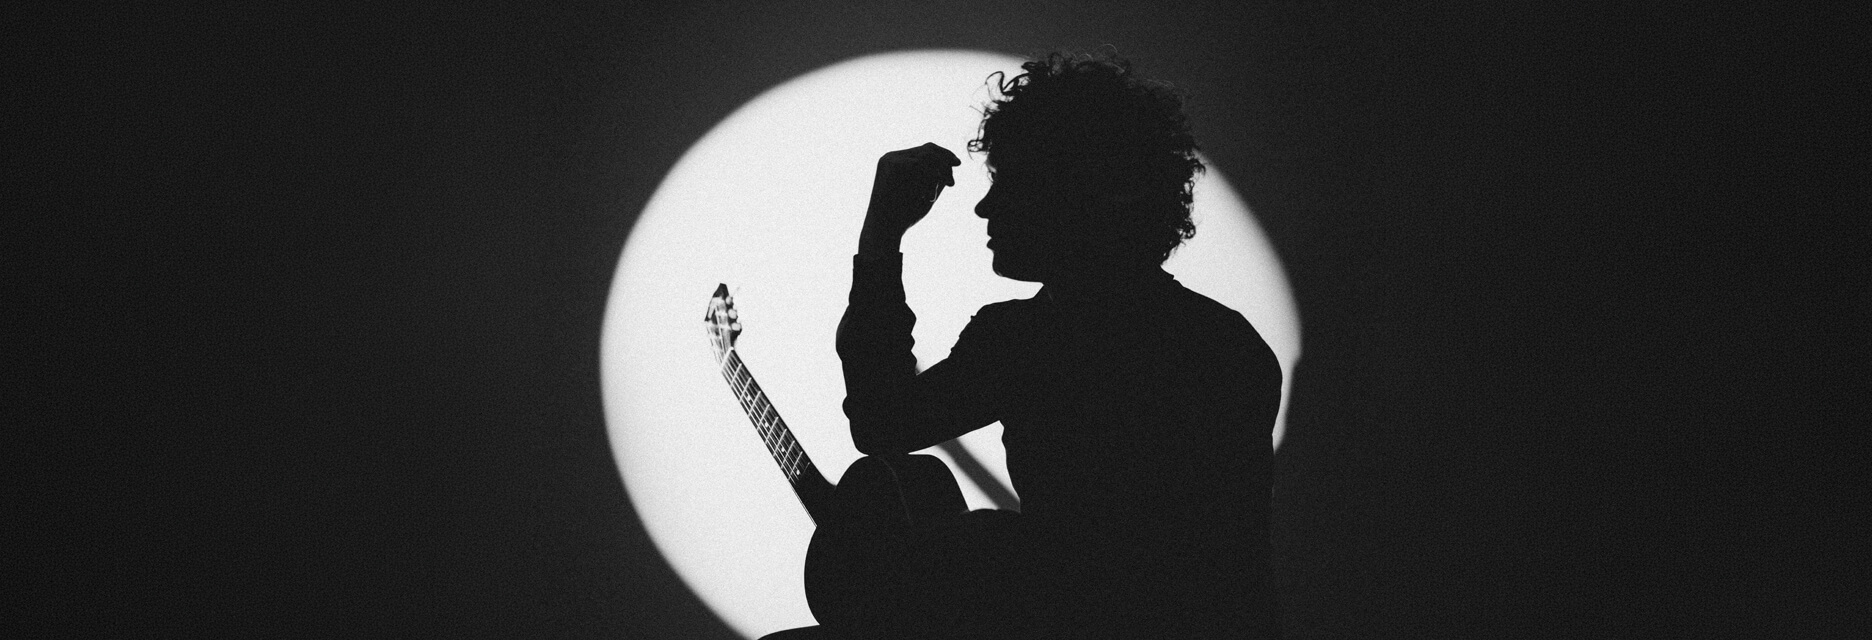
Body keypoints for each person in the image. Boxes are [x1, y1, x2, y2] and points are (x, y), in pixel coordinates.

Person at [770, 51, 1282, 640]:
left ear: (1076, 195)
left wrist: (882, 232)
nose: (985, 207)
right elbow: (1235, 575)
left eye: (1010, 184)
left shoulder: (1026, 339)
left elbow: (881, 422)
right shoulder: (1227, 341)